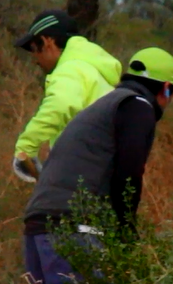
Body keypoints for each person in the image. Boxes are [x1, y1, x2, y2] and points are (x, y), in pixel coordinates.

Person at [22, 48, 173, 284]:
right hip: (74, 227)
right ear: (166, 89)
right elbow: (129, 174)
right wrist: (126, 233)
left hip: (39, 225)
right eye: (172, 95)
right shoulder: (137, 106)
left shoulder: (103, 107)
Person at [11, 10, 122, 183]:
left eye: (34, 49)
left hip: (83, 173)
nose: (35, 59)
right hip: (102, 169)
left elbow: (60, 105)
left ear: (48, 41)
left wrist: (26, 146)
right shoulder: (91, 70)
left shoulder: (70, 69)